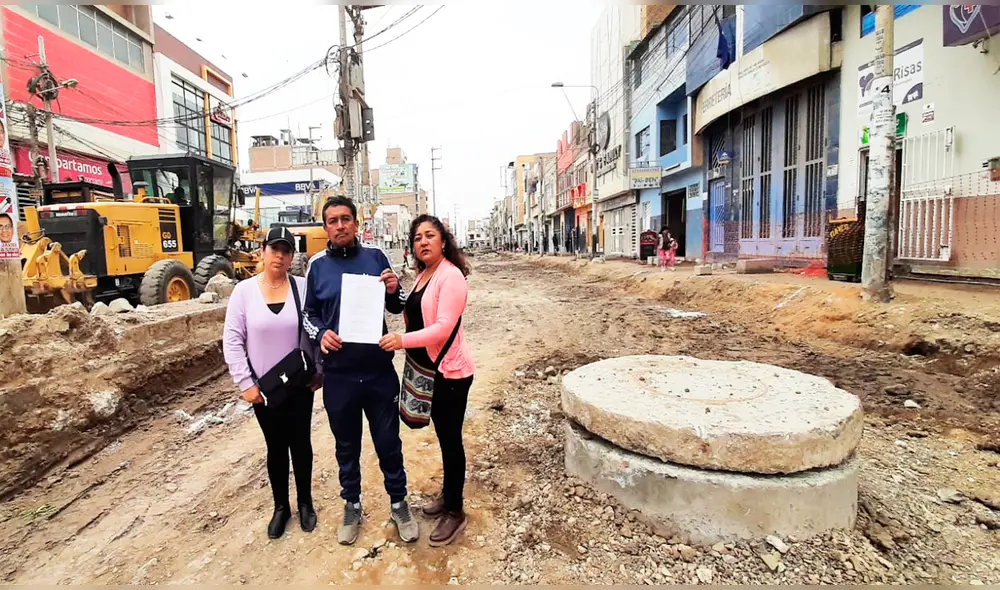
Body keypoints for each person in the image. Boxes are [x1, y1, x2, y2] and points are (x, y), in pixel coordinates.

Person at [303, 196, 419, 546]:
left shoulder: (375, 257)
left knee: (388, 442)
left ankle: (399, 503)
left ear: (356, 224)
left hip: (378, 372)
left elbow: (395, 307)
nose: (340, 226)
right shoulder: (317, 265)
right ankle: (351, 505)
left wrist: (395, 289)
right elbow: (309, 315)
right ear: (325, 227)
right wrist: (322, 334)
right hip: (338, 376)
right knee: (346, 445)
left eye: (345, 219)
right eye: (333, 220)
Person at [379, 214, 475, 547]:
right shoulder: (424, 275)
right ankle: (448, 499)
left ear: (443, 240)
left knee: (451, 441)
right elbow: (411, 309)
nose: (423, 241)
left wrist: (400, 341)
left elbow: (442, 328)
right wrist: (394, 290)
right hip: (431, 371)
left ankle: (456, 512)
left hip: (450, 373)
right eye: (417, 237)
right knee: (443, 437)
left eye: (429, 235)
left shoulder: (452, 278)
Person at [223, 227, 321, 540]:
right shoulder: (244, 292)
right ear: (262, 251)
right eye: (274, 249)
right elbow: (233, 339)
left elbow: (318, 330)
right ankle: (281, 507)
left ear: (292, 256)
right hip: (264, 389)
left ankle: (305, 502)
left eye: (286, 250)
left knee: (301, 444)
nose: (280, 255)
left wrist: (319, 369)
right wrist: (245, 382)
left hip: (298, 384)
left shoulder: (304, 288)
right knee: (276, 447)